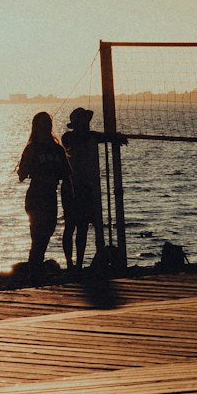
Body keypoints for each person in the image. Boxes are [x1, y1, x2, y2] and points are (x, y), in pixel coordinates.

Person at [60, 107, 125, 271]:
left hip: (85, 188)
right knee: (70, 226)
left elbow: (100, 136)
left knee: (82, 227)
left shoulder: (90, 136)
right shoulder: (68, 137)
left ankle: (79, 264)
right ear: (76, 124)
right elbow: (80, 138)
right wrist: (106, 137)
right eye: (83, 121)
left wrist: (114, 137)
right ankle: (69, 263)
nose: (87, 124)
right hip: (71, 187)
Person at [16, 111, 73, 283]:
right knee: (37, 235)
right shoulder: (32, 148)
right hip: (36, 195)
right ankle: (34, 272)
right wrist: (23, 166)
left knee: (46, 233)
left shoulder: (57, 149)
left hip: (50, 196)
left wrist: (69, 197)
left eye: (46, 123)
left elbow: (66, 175)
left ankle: (35, 269)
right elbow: (21, 175)